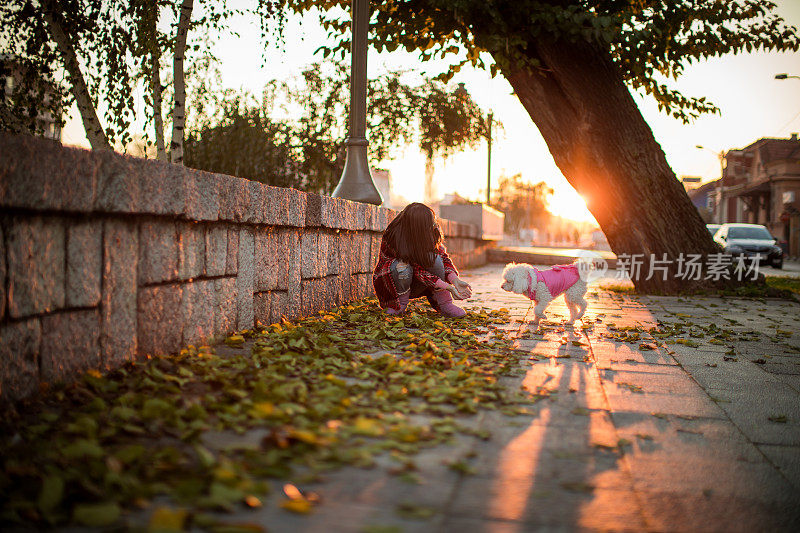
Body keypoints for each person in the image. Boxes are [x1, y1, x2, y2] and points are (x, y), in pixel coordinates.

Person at [373, 203, 472, 317]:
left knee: (435, 258)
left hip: (421, 284)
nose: (434, 224)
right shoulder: (395, 237)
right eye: (430, 222)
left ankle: (444, 304)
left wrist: (455, 280)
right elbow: (417, 271)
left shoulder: (430, 231)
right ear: (419, 227)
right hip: (395, 284)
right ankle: (399, 306)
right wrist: (448, 286)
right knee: (402, 267)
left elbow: (443, 258)